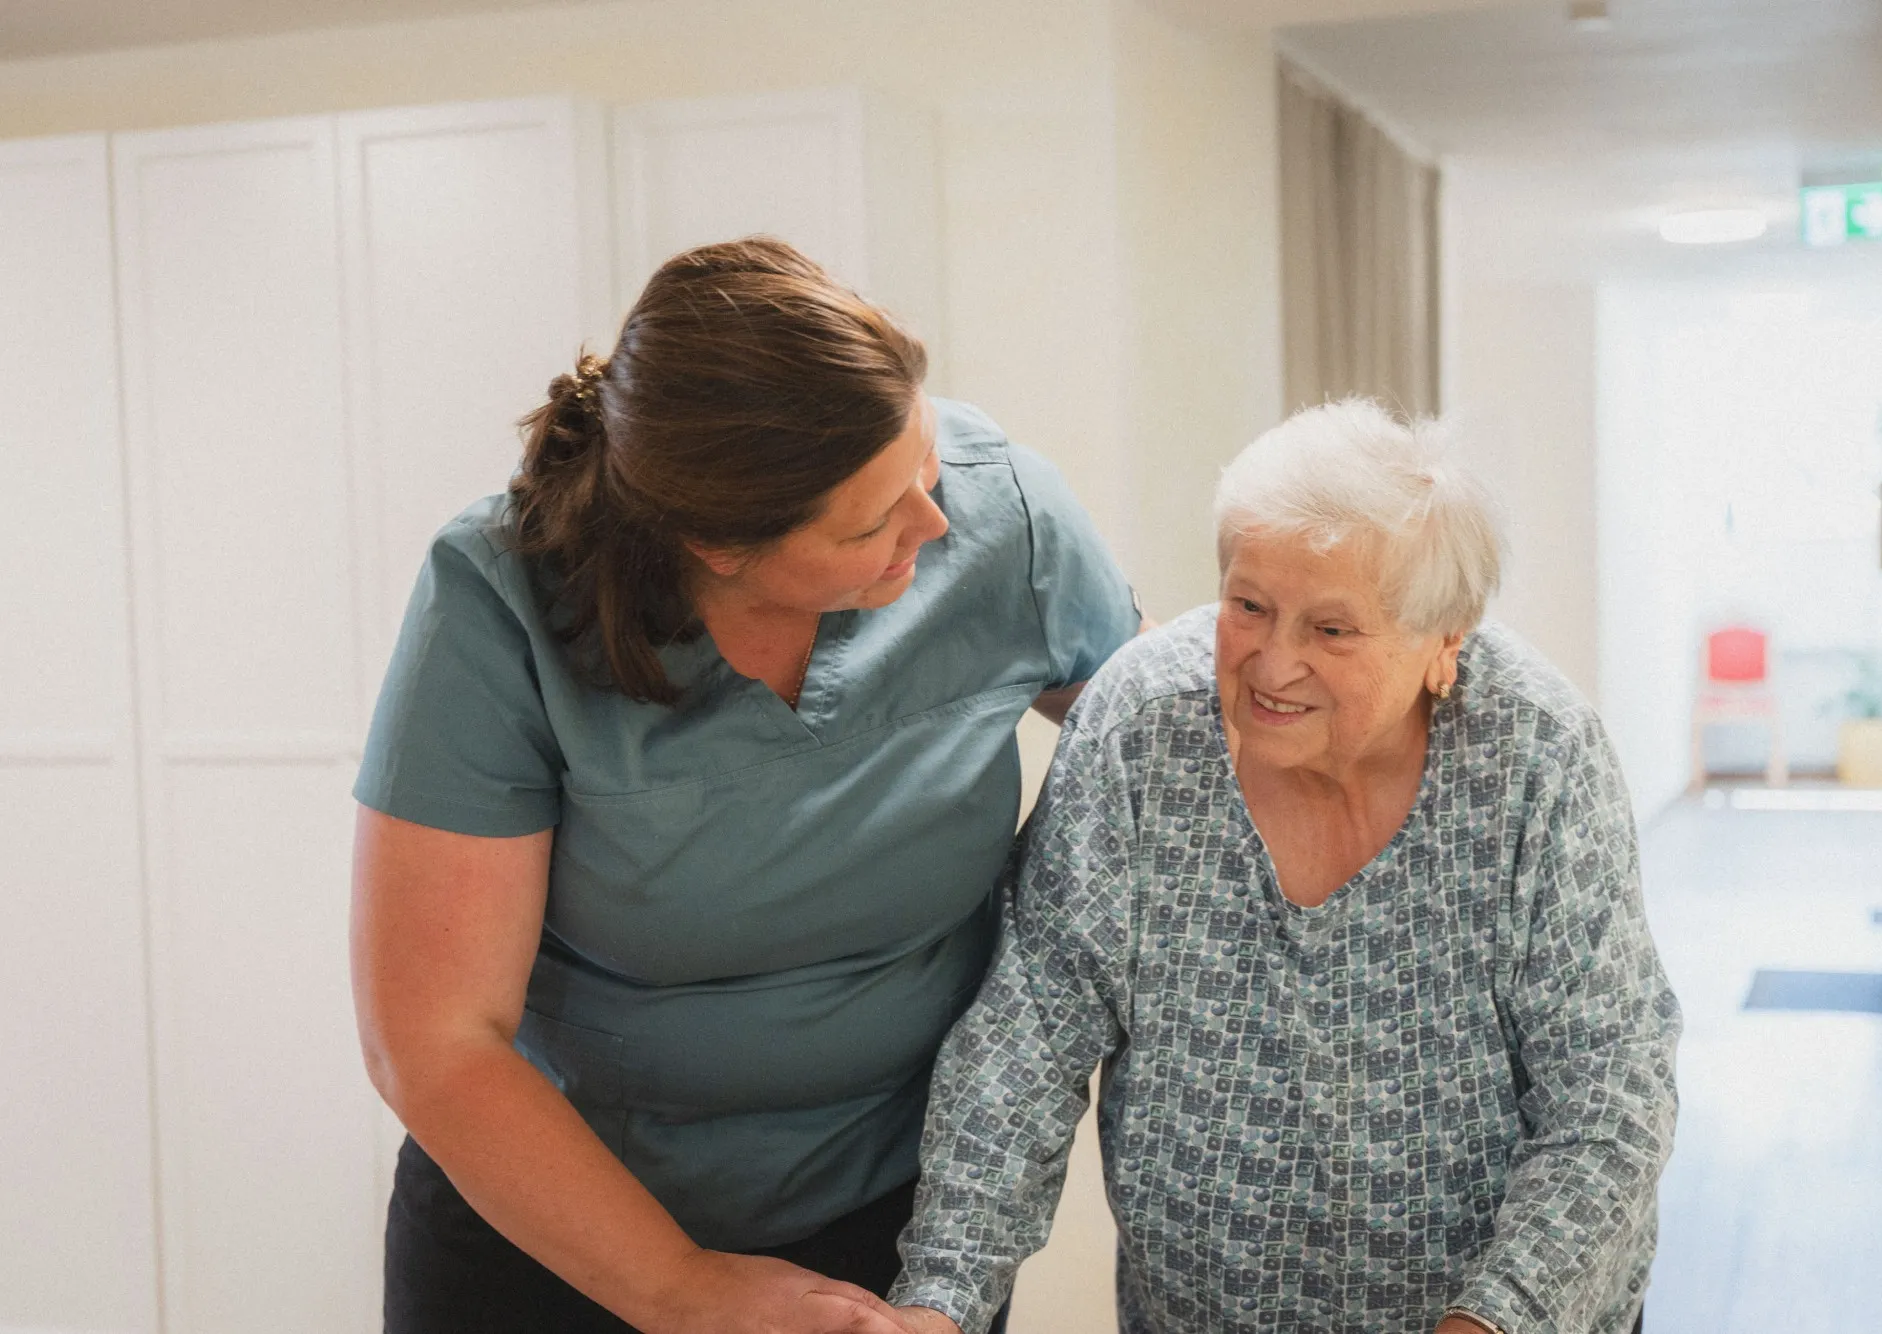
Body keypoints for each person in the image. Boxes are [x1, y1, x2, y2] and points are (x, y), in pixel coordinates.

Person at [348, 237, 1140, 1334]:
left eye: (926, 467)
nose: (938, 526)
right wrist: (679, 1285)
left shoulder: (1000, 508)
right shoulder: (502, 594)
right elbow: (434, 1037)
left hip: (895, 1219)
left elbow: (1166, 755)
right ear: (715, 544)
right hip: (555, 1233)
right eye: (871, 523)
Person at [890, 399, 1680, 1334]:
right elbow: (1026, 1037)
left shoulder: (1536, 754)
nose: (1272, 662)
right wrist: (940, 1299)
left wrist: (1496, 1319)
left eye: (1332, 631)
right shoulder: (1141, 727)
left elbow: (1610, 1095)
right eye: (1249, 605)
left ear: (1445, 642)